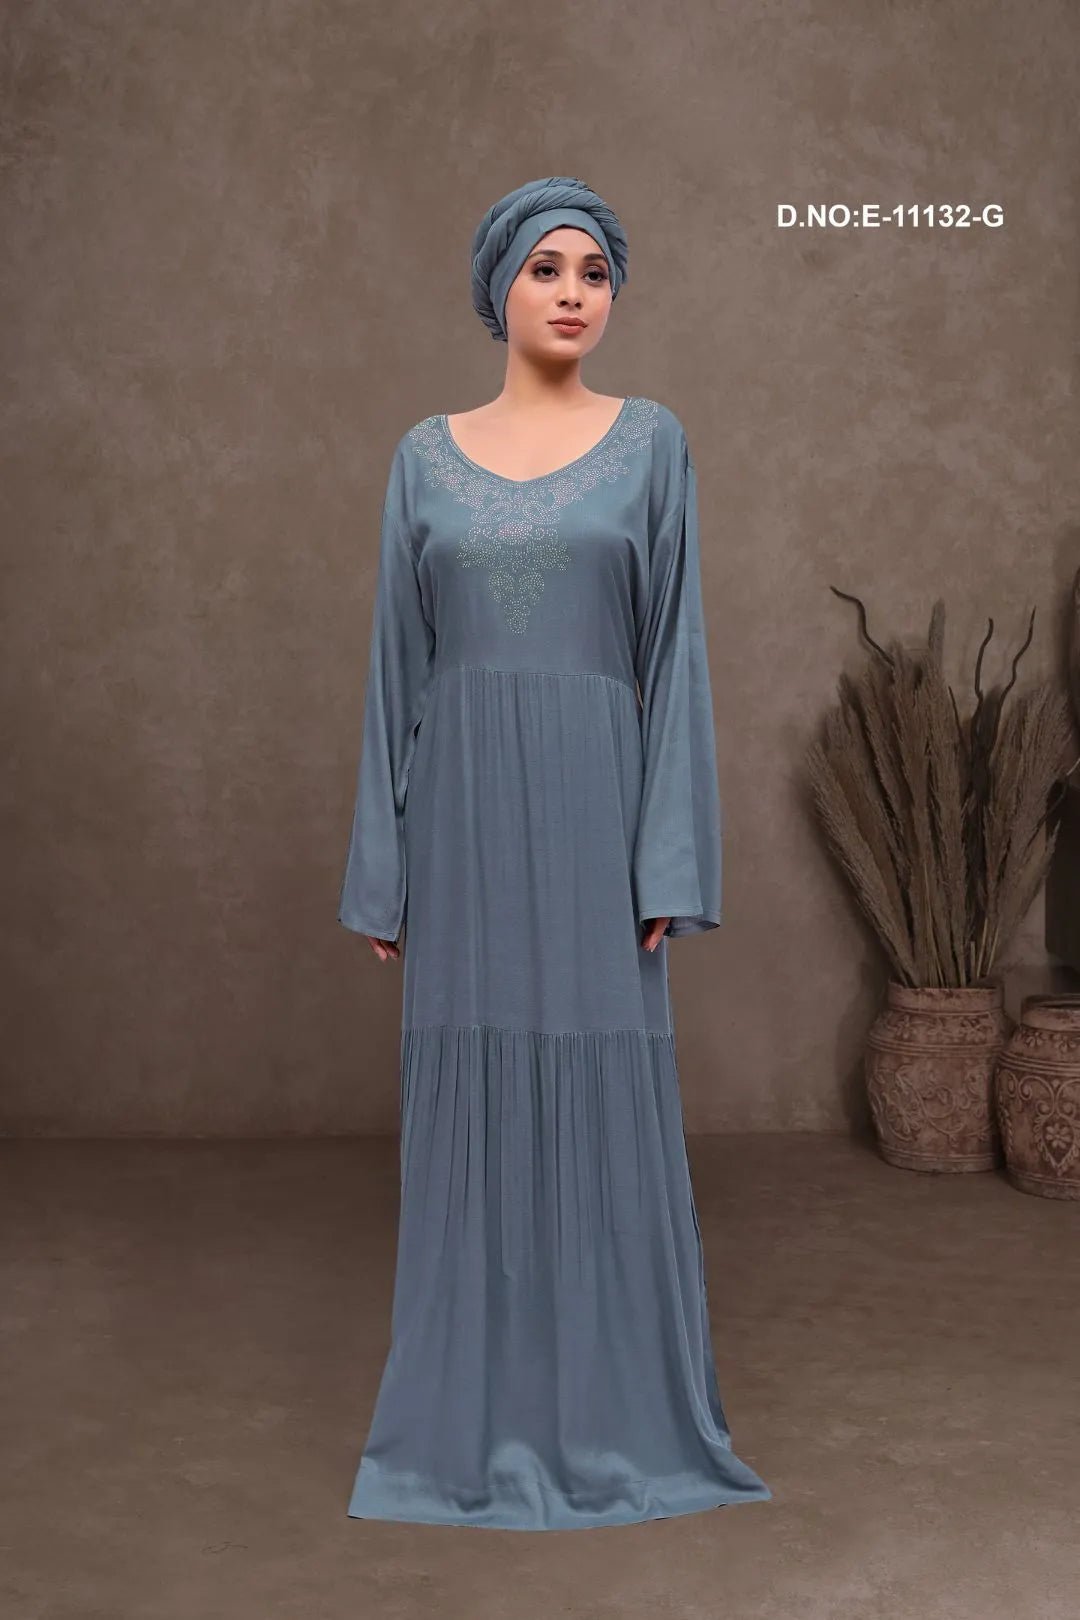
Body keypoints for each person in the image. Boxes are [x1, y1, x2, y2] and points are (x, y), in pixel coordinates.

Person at [338, 176, 772, 1529]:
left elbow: (675, 657)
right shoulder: (424, 458)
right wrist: (381, 869)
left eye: (595, 271)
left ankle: (612, 1414)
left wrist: (669, 863)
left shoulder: (653, 446)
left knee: (596, 1088)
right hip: (463, 817)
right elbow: (394, 672)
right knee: (473, 1087)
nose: (575, 292)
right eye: (547, 268)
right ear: (500, 289)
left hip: (595, 815)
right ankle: (469, 1418)